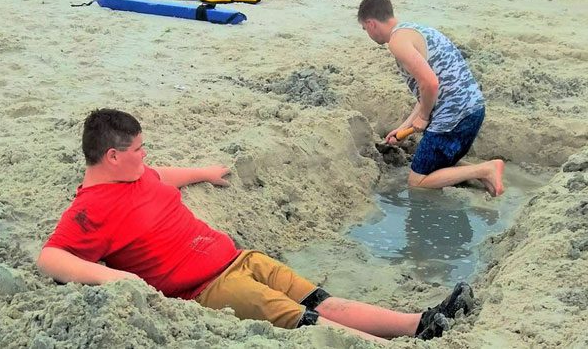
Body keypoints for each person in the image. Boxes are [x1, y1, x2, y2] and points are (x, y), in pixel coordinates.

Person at [37, 109, 476, 342]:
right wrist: (112, 277)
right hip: (209, 287)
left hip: (238, 259)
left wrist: (204, 172)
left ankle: (420, 324)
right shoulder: (89, 209)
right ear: (112, 157)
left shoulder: (135, 173)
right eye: (139, 149)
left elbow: (162, 175)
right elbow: (51, 255)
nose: (146, 154)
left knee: (319, 299)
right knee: (305, 320)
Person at [357, 0, 504, 195]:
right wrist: (404, 128)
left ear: (371, 23)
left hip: (455, 118)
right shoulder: (415, 30)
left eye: (365, 29)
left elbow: (431, 83)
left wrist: (424, 117)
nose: (368, 34)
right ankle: (482, 175)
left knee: (417, 181)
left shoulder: (397, 42)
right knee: (434, 162)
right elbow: (425, 93)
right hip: (473, 111)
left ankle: (486, 169)